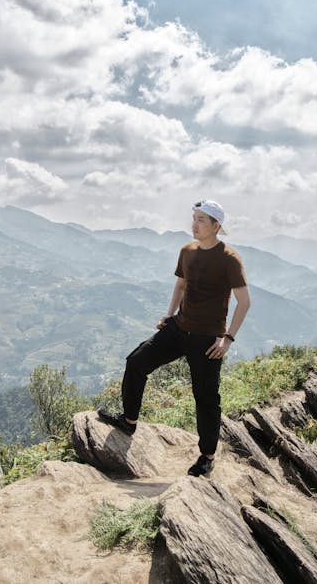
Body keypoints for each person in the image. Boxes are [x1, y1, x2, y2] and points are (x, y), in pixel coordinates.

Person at [98, 200, 251, 476]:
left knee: (205, 397)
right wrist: (169, 314)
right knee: (136, 361)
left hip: (208, 339)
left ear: (216, 226)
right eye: (194, 218)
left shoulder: (229, 258)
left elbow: (244, 302)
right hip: (179, 328)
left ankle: (207, 456)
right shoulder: (187, 251)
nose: (194, 224)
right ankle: (129, 421)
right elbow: (181, 284)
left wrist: (227, 338)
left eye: (201, 220)